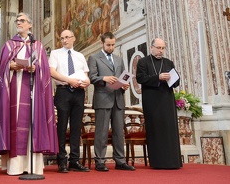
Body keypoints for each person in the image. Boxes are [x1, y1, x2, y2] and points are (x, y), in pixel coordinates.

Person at [0, 12, 58, 175]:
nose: (19, 23)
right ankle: (15, 165)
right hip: (13, 89)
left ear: (30, 25)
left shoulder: (38, 46)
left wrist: (36, 69)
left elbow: (45, 69)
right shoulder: (9, 45)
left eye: (22, 21)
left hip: (33, 90)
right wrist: (10, 66)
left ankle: (32, 165)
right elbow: (0, 68)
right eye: (17, 21)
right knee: (14, 123)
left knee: (32, 123)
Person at [87, 32, 135, 171]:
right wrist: (104, 78)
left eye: (113, 44)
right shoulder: (94, 58)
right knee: (101, 132)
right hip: (103, 98)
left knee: (119, 132)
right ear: (102, 43)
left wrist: (125, 84)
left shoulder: (119, 59)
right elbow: (92, 77)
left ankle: (120, 161)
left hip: (118, 98)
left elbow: (124, 76)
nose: (111, 47)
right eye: (108, 45)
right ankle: (100, 161)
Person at [136, 38, 182, 169]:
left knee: (169, 129)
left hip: (167, 100)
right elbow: (140, 78)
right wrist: (158, 77)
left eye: (163, 48)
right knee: (156, 129)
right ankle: (158, 162)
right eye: (158, 48)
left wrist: (172, 79)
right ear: (151, 47)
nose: (160, 51)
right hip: (152, 101)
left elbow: (177, 81)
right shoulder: (143, 62)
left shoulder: (168, 63)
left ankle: (173, 162)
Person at [49, 29, 91, 173]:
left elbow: (86, 75)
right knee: (61, 126)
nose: (65, 40)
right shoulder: (55, 53)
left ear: (73, 38)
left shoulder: (80, 56)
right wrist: (69, 80)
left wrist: (87, 82)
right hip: (63, 91)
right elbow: (52, 72)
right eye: (62, 38)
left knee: (76, 127)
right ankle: (61, 160)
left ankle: (74, 160)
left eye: (67, 37)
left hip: (79, 92)